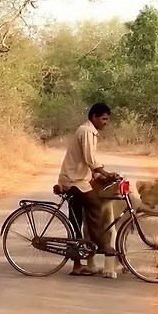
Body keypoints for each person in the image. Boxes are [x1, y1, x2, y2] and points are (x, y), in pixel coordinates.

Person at [56, 102, 121, 276]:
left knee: (75, 222)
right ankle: (102, 245)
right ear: (94, 117)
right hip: (73, 181)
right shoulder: (86, 131)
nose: (106, 122)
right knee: (96, 205)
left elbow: (87, 163)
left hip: (79, 179)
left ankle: (77, 265)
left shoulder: (91, 132)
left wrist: (99, 175)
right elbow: (90, 159)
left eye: (108, 119)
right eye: (104, 119)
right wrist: (106, 173)